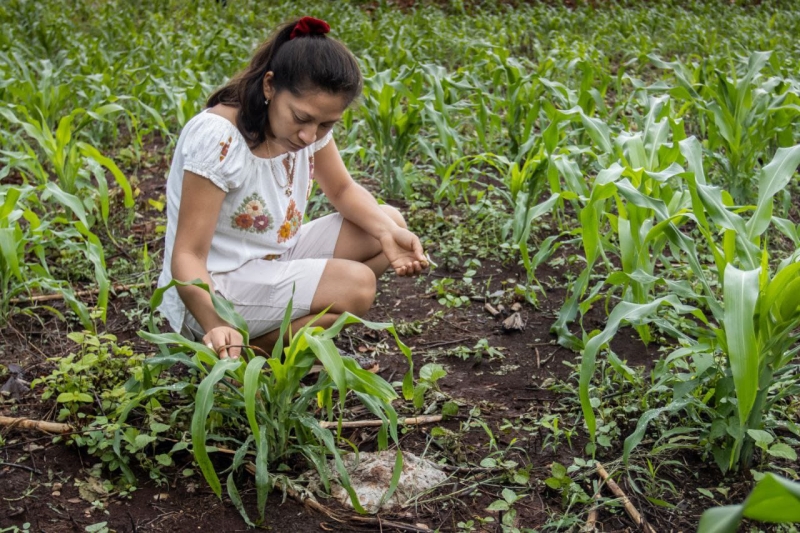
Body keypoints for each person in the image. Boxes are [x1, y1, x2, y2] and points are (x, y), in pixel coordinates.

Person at [157, 17, 428, 361]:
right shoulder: (220, 139)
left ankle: (270, 339)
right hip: (215, 289)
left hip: (272, 258)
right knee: (357, 285)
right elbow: (188, 255)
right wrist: (215, 322)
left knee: (387, 222)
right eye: (302, 119)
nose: (309, 136)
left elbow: (343, 190)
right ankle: (241, 348)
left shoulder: (305, 130)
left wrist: (388, 233)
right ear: (270, 86)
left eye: (326, 124)